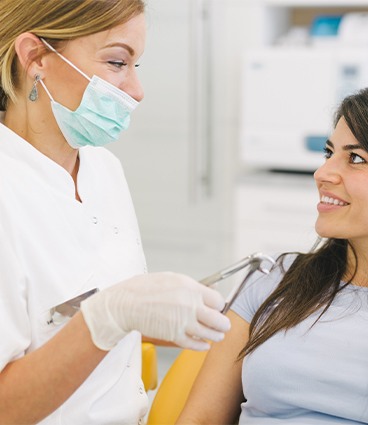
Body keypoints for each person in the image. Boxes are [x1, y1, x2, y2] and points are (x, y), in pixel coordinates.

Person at [0, 1, 230, 424]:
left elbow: (85, 322)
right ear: (35, 57)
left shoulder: (104, 170)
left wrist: (201, 311)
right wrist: (108, 316)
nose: (136, 90)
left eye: (136, 65)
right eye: (117, 62)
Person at [177, 80, 368, 425]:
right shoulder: (275, 283)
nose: (322, 173)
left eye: (355, 158)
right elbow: (202, 419)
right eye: (329, 152)